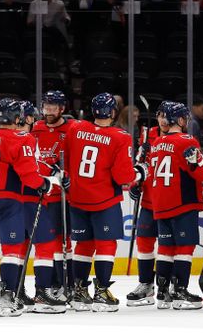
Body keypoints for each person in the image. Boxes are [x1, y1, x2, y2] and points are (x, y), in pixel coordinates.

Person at [0, 98, 60, 316]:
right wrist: (45, 183)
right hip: (8, 200)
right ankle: (8, 299)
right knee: (12, 250)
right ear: (17, 118)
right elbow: (28, 174)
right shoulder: (21, 139)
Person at [63, 93, 146, 312]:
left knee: (83, 244)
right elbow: (122, 177)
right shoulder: (120, 136)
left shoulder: (75, 129)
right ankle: (101, 292)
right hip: (104, 199)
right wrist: (139, 173)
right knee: (106, 244)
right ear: (112, 112)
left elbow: (69, 160)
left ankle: (79, 292)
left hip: (78, 197)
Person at [136, 102, 203, 309]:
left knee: (166, 247)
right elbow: (202, 173)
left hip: (160, 204)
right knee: (184, 249)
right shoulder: (188, 141)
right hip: (183, 203)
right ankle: (179, 292)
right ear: (179, 120)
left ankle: (162, 292)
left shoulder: (158, 142)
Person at [15, 101, 68, 313]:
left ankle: (13, 292)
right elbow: (31, 169)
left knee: (18, 247)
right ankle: (43, 293)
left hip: (11, 201)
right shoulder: (27, 138)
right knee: (45, 244)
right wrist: (50, 180)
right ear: (26, 118)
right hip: (30, 197)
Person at [126, 100, 173, 307]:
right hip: (149, 199)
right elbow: (140, 162)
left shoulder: (180, 137)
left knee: (166, 245)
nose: (163, 120)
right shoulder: (148, 135)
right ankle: (146, 285)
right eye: (160, 115)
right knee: (144, 242)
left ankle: (165, 285)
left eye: (167, 116)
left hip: (169, 201)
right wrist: (137, 181)